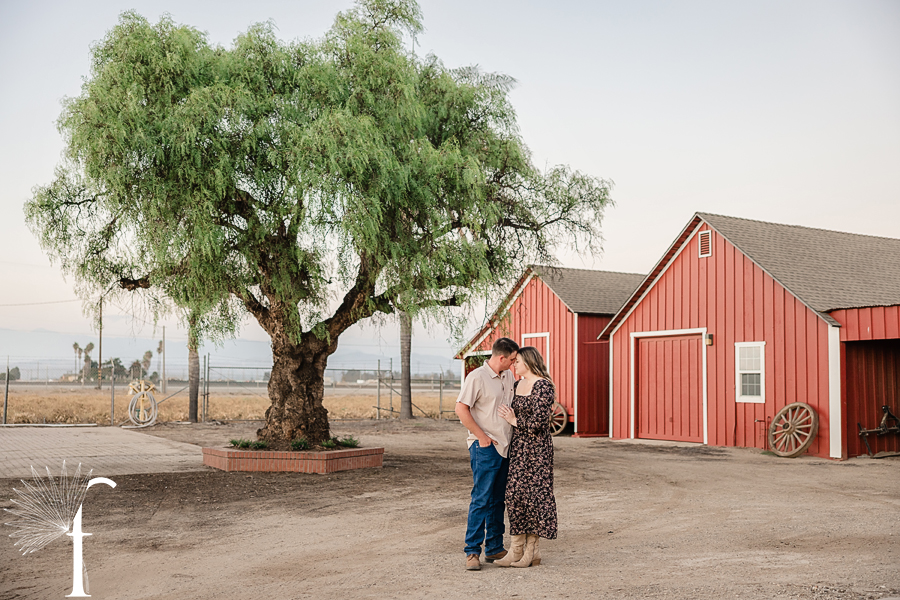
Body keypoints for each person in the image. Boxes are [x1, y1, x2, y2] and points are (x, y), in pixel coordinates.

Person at [454, 337, 519, 571]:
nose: (514, 363)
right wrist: (481, 437)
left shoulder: (509, 376)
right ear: (501, 357)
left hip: (505, 447)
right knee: (481, 499)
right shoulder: (477, 378)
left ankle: (494, 547)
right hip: (485, 447)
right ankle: (472, 551)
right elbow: (461, 408)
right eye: (512, 360)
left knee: (498, 500)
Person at [495, 346, 558, 568]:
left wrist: (514, 421)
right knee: (515, 495)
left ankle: (532, 552)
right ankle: (516, 550)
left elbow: (540, 423)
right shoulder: (516, 384)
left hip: (537, 449)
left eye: (518, 361)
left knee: (535, 497)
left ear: (529, 362)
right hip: (519, 447)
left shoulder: (543, 386)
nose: (515, 364)